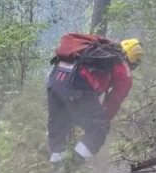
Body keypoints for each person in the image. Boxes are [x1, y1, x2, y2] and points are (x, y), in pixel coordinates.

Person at [46, 35, 143, 165]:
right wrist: (101, 120)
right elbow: (114, 101)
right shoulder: (123, 69)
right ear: (134, 61)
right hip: (76, 86)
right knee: (99, 127)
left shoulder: (94, 50)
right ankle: (73, 164)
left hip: (54, 81)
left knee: (61, 124)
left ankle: (56, 165)